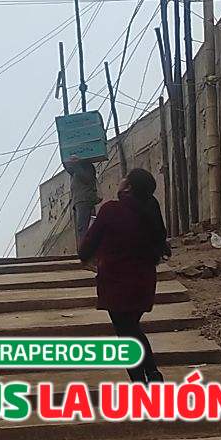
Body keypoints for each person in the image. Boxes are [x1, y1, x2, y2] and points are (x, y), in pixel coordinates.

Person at [79, 168, 171, 383]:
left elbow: (85, 249)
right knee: (132, 329)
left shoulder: (111, 210)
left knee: (126, 336)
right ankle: (154, 376)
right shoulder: (151, 211)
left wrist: (91, 255)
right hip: (144, 285)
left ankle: (141, 383)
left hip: (117, 285)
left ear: (128, 186)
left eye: (124, 178)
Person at [64, 153, 100, 246]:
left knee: (83, 227)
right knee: (82, 227)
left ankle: (85, 249)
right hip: (79, 201)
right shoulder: (75, 170)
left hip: (85, 199)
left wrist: (76, 164)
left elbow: (86, 178)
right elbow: (69, 168)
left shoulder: (87, 166)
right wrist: (65, 159)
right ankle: (84, 247)